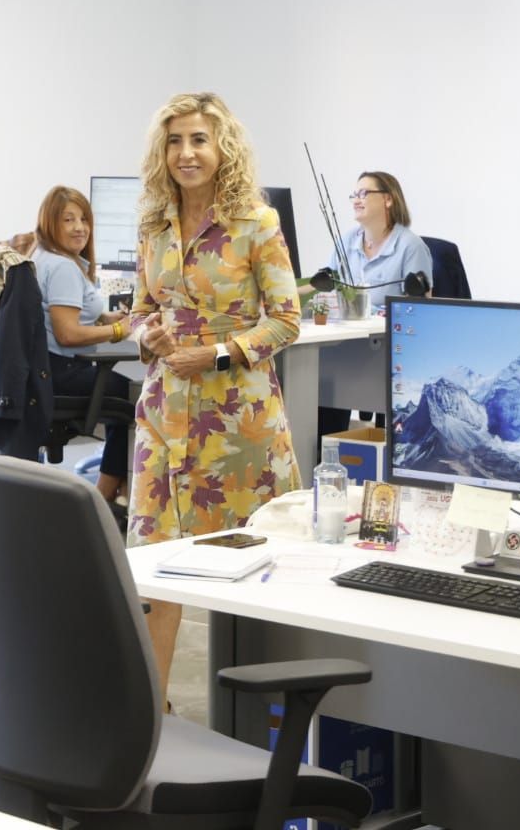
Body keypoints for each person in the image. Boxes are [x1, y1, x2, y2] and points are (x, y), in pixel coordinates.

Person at [128, 93, 302, 706]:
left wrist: (220, 352)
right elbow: (140, 308)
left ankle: (274, 706)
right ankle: (150, 709)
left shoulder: (257, 222)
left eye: (198, 140)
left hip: (237, 420)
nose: (186, 153)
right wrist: (145, 331)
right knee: (151, 563)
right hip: (165, 411)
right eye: (175, 141)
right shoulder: (152, 223)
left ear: (222, 147)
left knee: (255, 560)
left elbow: (285, 321)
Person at [28, 185, 132, 503]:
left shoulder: (45, 256)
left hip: (45, 368)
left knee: (125, 390)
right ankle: (108, 489)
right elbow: (68, 334)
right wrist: (118, 331)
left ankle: (116, 486)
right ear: (51, 224)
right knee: (137, 396)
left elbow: (75, 313)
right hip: (62, 371)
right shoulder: (62, 268)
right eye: (68, 220)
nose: (79, 227)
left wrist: (109, 317)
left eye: (83, 219)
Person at [337, 171, 432, 313]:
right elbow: (325, 289)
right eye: (354, 196)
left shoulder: (411, 246)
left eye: (363, 194)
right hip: (346, 330)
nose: (356, 201)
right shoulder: (347, 240)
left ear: (387, 199)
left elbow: (419, 310)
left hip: (385, 333)